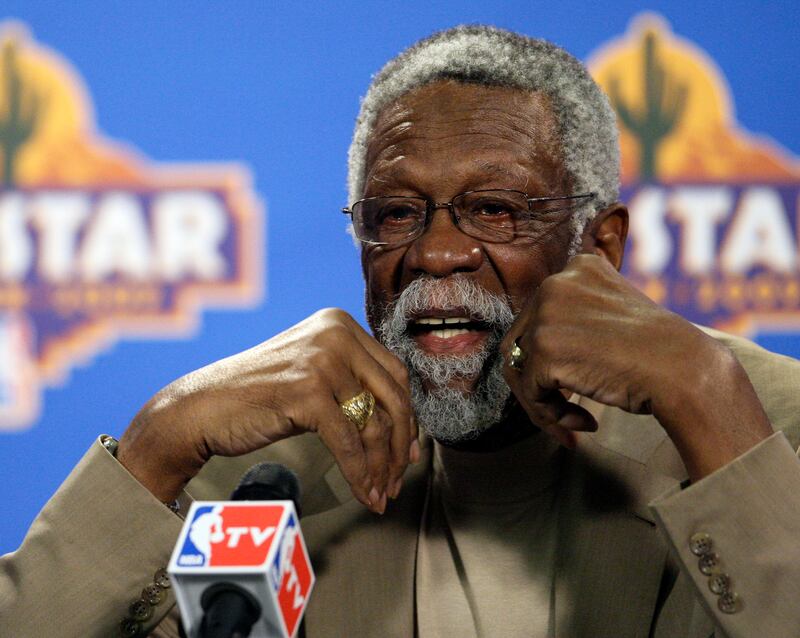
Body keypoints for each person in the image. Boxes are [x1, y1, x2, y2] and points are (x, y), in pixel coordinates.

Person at [2, 25, 800, 638]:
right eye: (395, 215)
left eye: (496, 208)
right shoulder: (263, 481)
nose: (436, 252)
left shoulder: (763, 424)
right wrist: (158, 443)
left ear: (601, 245)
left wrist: (708, 405)